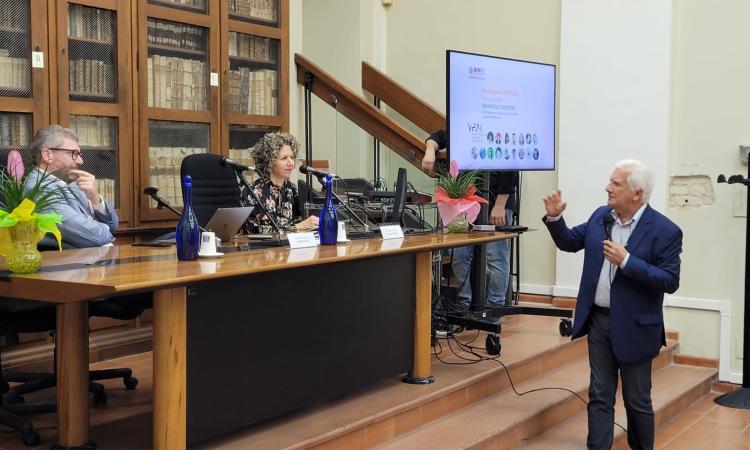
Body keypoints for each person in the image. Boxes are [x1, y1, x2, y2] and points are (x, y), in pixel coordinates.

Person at [542, 160, 682, 450]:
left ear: (636, 193)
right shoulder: (600, 217)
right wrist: (555, 220)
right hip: (600, 322)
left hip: (636, 326)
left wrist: (627, 261)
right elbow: (569, 242)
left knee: (637, 400)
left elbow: (669, 280)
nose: (607, 187)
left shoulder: (665, 231)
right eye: (610, 181)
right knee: (599, 395)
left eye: (616, 184)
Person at [422, 129, 518, 307]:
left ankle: (494, 307)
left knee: (495, 257)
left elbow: (511, 168)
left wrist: (499, 205)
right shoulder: (463, 127)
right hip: (464, 202)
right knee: (460, 255)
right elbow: (438, 137)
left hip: (497, 202)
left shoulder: (501, 128)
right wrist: (429, 151)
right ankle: (464, 303)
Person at [27, 125, 117, 248]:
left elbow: (114, 224)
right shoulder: (37, 188)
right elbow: (92, 236)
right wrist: (106, 229)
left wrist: (95, 198)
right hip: (67, 264)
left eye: (79, 154)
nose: (80, 161)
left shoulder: (73, 183)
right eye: (73, 153)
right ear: (47, 155)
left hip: (92, 261)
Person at [245, 132, 318, 234]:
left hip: (287, 246)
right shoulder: (254, 191)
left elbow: (297, 220)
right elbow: (260, 231)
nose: (291, 163)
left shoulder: (290, 188)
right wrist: (299, 226)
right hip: (260, 248)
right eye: (284, 158)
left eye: (292, 157)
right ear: (269, 162)